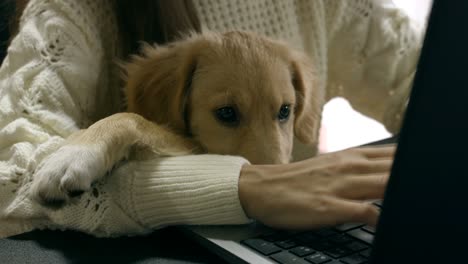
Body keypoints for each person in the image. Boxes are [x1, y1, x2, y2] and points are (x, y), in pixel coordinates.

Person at [0, 0, 422, 238]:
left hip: (291, 235)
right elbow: (11, 184)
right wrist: (240, 189)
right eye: (226, 114)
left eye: (284, 112)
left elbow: (431, 78)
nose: (275, 162)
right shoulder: (72, 12)